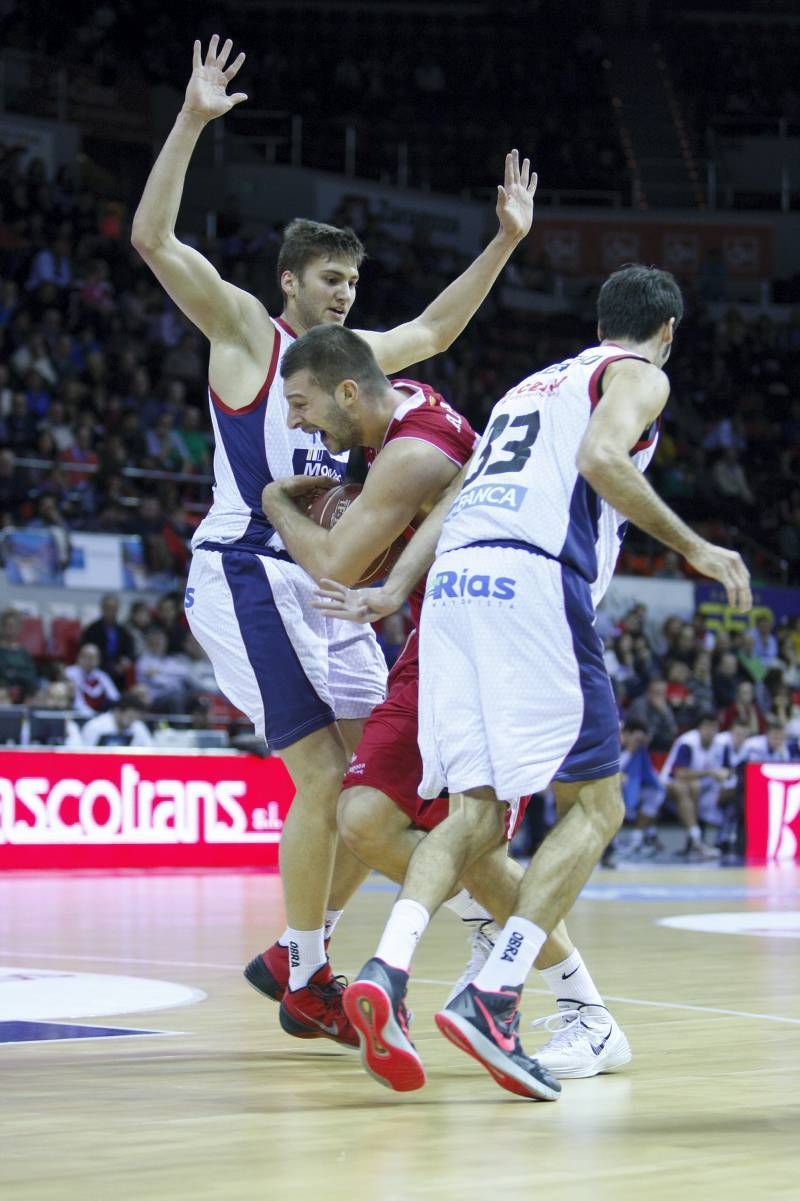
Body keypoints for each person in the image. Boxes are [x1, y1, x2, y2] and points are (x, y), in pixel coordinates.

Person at [131, 35, 538, 1046]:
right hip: (246, 568)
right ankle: (311, 973)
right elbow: (152, 240)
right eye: (327, 280)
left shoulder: (358, 365)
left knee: (369, 783)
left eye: (353, 281)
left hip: (326, 582)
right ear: (288, 283)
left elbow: (438, 331)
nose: (345, 296)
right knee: (320, 775)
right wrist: (189, 120)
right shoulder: (244, 336)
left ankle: (290, 950)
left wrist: (504, 243)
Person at [321, 263, 751, 1097]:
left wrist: (400, 587)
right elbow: (600, 458)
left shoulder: (527, 387)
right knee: (599, 804)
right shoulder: (637, 375)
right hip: (532, 583)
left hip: (452, 593)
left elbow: (448, 504)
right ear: (666, 333)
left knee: (475, 809)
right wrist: (694, 545)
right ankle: (495, 991)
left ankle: (390, 963)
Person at [250, 323, 630, 1080]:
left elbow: (333, 563)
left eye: (300, 405)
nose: (296, 423)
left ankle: (581, 1005)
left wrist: (273, 502)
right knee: (364, 818)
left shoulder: (418, 444)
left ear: (348, 391)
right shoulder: (399, 418)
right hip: (437, 633)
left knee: (480, 836)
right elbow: (427, 334)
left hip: (504, 634)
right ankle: (488, 938)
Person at [658, 713, 728, 858]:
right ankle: (697, 841)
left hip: (702, 787)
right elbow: (679, 774)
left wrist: (724, 773)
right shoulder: (688, 742)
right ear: (699, 728)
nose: (710, 731)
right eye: (706, 727)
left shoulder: (721, 744)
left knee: (697, 787)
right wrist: (710, 773)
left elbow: (728, 768)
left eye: (713, 727)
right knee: (686, 788)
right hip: (669, 783)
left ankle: (712, 839)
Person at [80, 593, 136, 684]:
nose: (110, 611)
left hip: (119, 669)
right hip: (98, 666)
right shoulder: (91, 630)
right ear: (102, 609)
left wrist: (126, 660)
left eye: (114, 608)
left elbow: (130, 653)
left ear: (118, 609)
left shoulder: (124, 631)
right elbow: (85, 650)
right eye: (107, 608)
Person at [64, 643, 120, 716]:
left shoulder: (102, 676)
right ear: (78, 657)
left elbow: (114, 697)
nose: (89, 660)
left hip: (99, 715)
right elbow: (77, 701)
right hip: (76, 714)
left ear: (98, 660)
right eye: (86, 656)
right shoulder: (69, 673)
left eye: (93, 657)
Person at [81, 693, 154, 748]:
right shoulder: (94, 726)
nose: (132, 722)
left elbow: (149, 749)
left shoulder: (137, 725)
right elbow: (85, 754)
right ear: (118, 711)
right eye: (130, 717)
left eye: (135, 718)